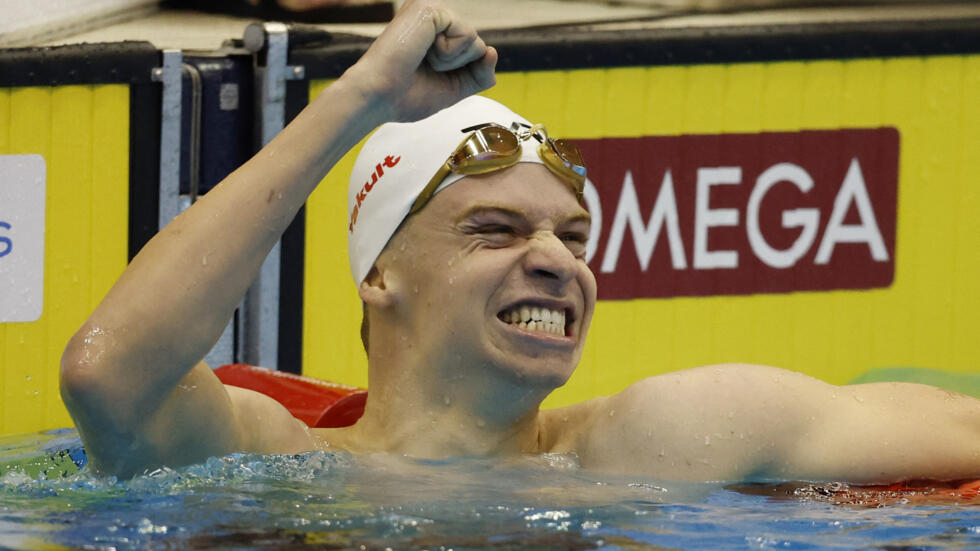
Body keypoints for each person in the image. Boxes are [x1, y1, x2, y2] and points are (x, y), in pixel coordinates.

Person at [60, 0, 980, 482]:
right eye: (494, 228)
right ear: (379, 271)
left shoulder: (662, 441)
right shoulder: (270, 460)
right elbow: (109, 370)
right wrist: (354, 107)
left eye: (574, 236)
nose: (556, 260)